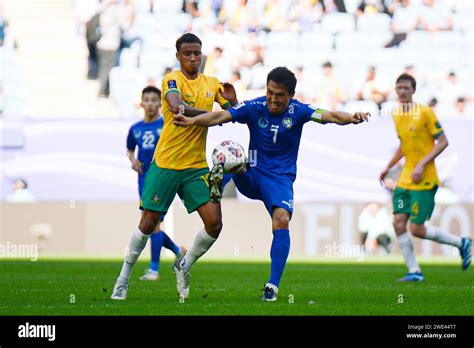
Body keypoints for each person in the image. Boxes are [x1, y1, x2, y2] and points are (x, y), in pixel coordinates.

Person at [173, 66, 370, 301]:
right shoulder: (254, 107)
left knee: (282, 220)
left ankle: (272, 287)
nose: (273, 99)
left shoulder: (300, 111)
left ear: (291, 96)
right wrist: (191, 121)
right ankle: (216, 183)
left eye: (279, 95)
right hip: (251, 173)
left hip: (279, 179)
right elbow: (219, 117)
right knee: (232, 152)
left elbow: (331, 117)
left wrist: (352, 118)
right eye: (270, 92)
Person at [111, 33, 237, 300]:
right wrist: (214, 116)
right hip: (166, 163)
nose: (193, 58)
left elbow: (232, 114)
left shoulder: (212, 84)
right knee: (148, 222)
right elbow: (177, 106)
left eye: (197, 53)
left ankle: (184, 264)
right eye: (188, 53)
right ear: (178, 56)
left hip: (195, 167)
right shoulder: (171, 79)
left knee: (215, 224)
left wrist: (234, 102)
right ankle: (123, 277)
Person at [379, 73, 471, 282]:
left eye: (406, 88)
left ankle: (461, 243)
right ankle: (414, 271)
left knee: (417, 229)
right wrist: (388, 167)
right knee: (398, 221)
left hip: (425, 179)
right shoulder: (396, 114)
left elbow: (443, 141)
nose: (402, 91)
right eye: (399, 88)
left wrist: (421, 164)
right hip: (405, 179)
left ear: (414, 90)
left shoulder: (425, 113)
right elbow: (404, 145)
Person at [126, 86, 186, 281]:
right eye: (147, 100)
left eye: (154, 100)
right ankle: (178, 250)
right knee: (151, 224)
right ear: (141, 103)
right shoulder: (135, 128)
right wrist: (133, 161)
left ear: (161, 104)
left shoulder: (166, 125)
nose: (150, 104)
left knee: (154, 223)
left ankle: (153, 270)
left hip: (161, 178)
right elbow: (130, 149)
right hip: (143, 179)